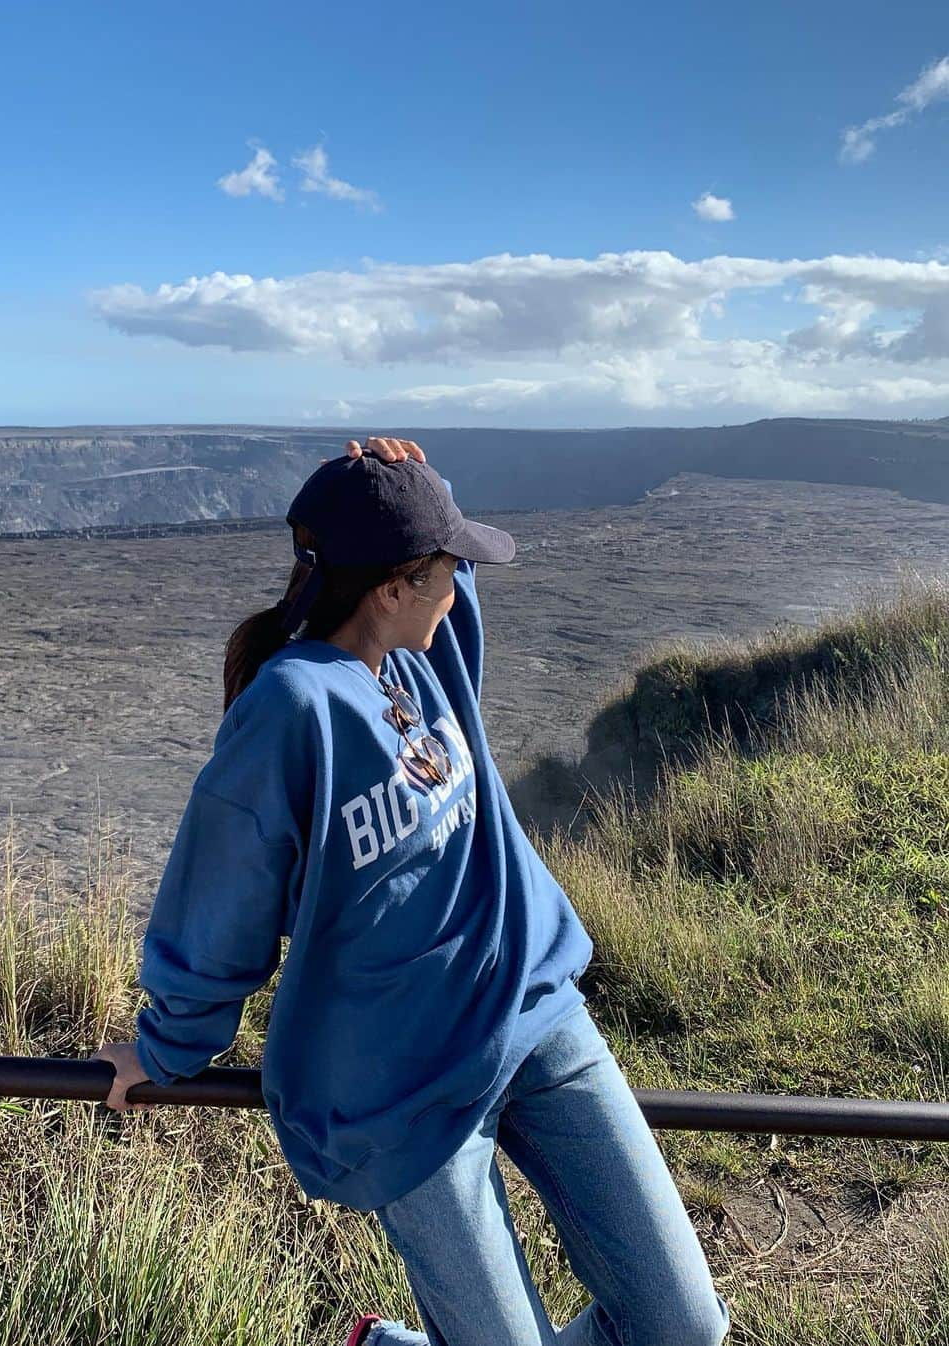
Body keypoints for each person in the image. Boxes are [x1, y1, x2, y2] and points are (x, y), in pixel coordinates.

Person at [92, 436, 730, 1346]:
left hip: (532, 1013)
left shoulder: (427, 654)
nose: (461, 581)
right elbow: (221, 899)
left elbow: (435, 561)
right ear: (390, 586)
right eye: (447, 565)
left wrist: (411, 485)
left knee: (683, 1329)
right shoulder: (292, 710)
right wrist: (167, 1047)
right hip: (399, 1084)